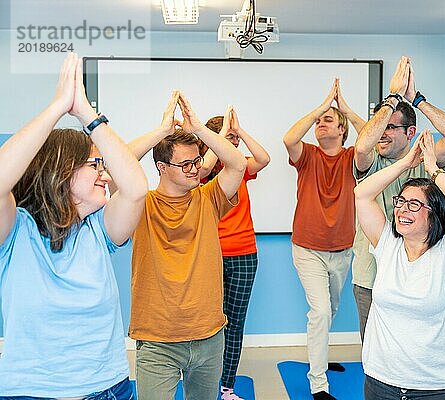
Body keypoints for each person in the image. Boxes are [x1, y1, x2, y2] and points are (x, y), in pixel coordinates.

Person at [0, 53, 147, 398]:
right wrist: (56, 109)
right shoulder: (15, 230)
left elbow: (137, 188)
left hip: (108, 387)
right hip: (33, 391)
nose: (105, 173)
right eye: (94, 164)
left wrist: (87, 116)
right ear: (61, 170)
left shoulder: (99, 229)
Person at [127, 92, 247, 400]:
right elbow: (119, 164)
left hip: (209, 336)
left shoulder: (208, 199)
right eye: (185, 164)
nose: (195, 168)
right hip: (158, 340)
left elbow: (235, 164)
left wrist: (201, 131)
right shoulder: (142, 203)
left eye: (196, 160)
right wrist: (161, 132)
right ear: (162, 167)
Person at [354, 130, 445, 400]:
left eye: (414, 204)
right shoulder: (387, 245)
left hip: (435, 387)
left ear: (434, 213)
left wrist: (432, 169)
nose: (402, 209)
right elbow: (362, 194)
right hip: (380, 382)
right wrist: (407, 162)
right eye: (401, 201)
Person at [352, 56, 445, 341]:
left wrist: (416, 99)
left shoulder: (426, 155)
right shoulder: (371, 161)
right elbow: (363, 144)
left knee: (417, 343)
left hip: (421, 270)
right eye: (380, 125)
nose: (383, 132)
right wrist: (392, 98)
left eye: (391, 127)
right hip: (371, 273)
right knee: (374, 349)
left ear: (410, 132)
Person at [283, 79, 366, 400]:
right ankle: (318, 383)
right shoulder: (307, 155)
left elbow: (368, 140)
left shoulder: (351, 157)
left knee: (329, 309)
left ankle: (320, 353)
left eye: (328, 121)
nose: (320, 124)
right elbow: (289, 137)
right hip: (307, 248)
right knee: (319, 312)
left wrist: (344, 109)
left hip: (342, 249)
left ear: (343, 129)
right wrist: (321, 108)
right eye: (318, 121)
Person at [203, 108, 270, 400]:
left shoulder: (240, 167)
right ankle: (205, 382)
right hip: (209, 256)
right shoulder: (199, 171)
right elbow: (206, 169)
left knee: (234, 324)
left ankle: (227, 387)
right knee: (208, 323)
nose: (231, 144)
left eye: (232, 139)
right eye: (224, 139)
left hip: (244, 255)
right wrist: (220, 138)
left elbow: (264, 159)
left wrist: (240, 132)